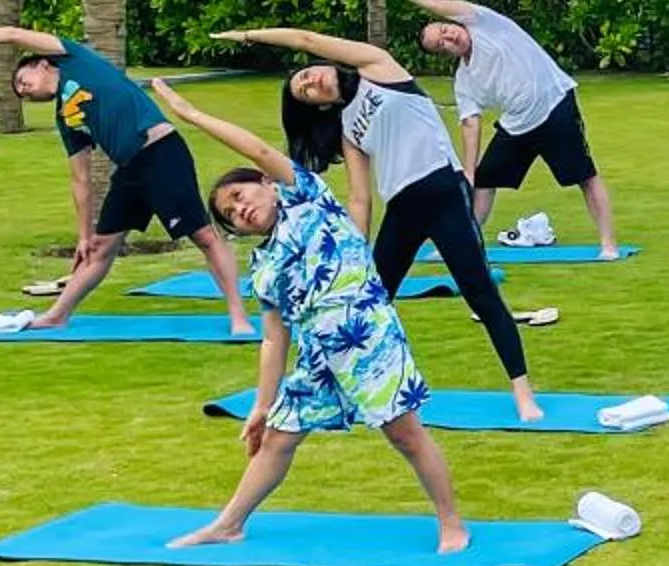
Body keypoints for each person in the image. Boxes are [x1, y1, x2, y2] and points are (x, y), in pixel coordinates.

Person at [146, 78, 467, 553]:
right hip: (318, 352)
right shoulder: (264, 268)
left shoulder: (305, 196)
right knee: (277, 436)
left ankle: (451, 523)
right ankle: (229, 524)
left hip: (367, 333)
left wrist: (191, 116)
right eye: (231, 215)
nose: (241, 210)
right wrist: (260, 404)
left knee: (405, 433)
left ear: (267, 184)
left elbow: (255, 146)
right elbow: (274, 340)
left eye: (241, 196)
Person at [222, 25, 543, 424]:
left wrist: (252, 36)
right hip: (403, 208)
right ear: (319, 106)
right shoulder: (346, 127)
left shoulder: (379, 68)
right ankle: (346, 388)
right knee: (367, 299)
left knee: (479, 291)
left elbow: (305, 40)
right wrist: (352, 250)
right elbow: (360, 197)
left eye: (307, 76)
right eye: (306, 92)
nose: (312, 83)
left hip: (444, 190)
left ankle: (523, 393)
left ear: (322, 65)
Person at [0, 26, 249, 334]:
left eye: (23, 81)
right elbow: (80, 178)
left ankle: (239, 317)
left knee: (204, 237)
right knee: (99, 248)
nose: (25, 91)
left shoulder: (75, 58)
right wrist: (83, 234)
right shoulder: (66, 118)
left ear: (43, 63)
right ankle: (56, 316)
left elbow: (12, 34)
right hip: (130, 169)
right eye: (21, 94)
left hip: (161, 153)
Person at [355, 0, 620, 257]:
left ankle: (608, 245)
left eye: (445, 30)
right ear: (442, 54)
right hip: (518, 124)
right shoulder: (465, 80)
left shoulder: (484, 23)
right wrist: (468, 171)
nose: (448, 38)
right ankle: (465, 245)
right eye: (440, 45)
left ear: (452, 23)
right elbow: (470, 123)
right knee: (483, 181)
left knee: (586, 177)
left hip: (555, 105)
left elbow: (433, 3)